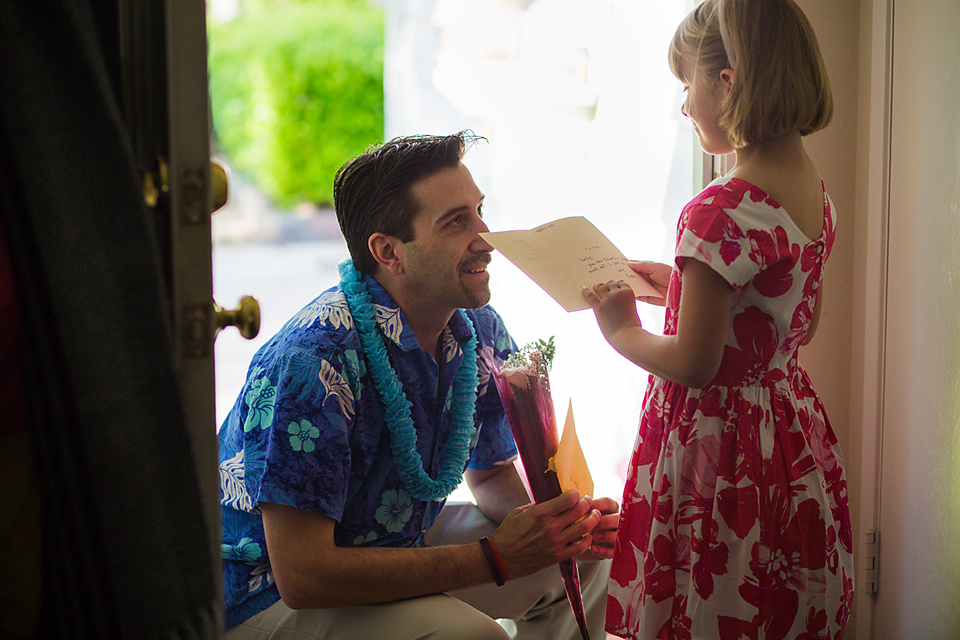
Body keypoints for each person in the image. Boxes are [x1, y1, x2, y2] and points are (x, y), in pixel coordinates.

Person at [218, 131, 620, 640]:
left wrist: (558, 525)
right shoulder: (314, 359)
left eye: (479, 211)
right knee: (471, 636)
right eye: (457, 221)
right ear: (388, 251)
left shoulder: (480, 329)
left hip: (396, 538)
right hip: (266, 592)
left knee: (583, 562)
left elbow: (493, 474)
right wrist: (495, 557)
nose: (486, 237)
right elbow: (304, 575)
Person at [581, 0, 854, 638]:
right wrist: (684, 284)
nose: (684, 106)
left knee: (714, 596)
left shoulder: (718, 209)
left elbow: (695, 365)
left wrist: (621, 328)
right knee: (771, 605)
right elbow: (793, 324)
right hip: (788, 437)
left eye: (687, 86)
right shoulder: (815, 193)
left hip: (721, 450)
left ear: (726, 83)